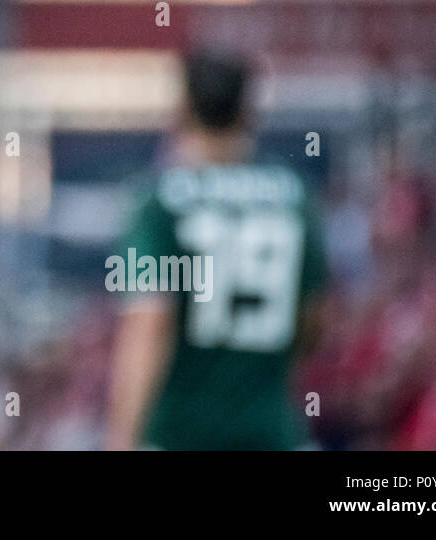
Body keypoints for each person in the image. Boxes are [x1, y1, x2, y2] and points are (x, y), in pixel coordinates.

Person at [105, 50, 325, 450]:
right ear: (247, 109)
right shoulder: (295, 198)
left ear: (183, 107)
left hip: (182, 434)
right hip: (272, 433)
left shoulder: (160, 201)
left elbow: (150, 322)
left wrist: (122, 438)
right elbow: (312, 319)